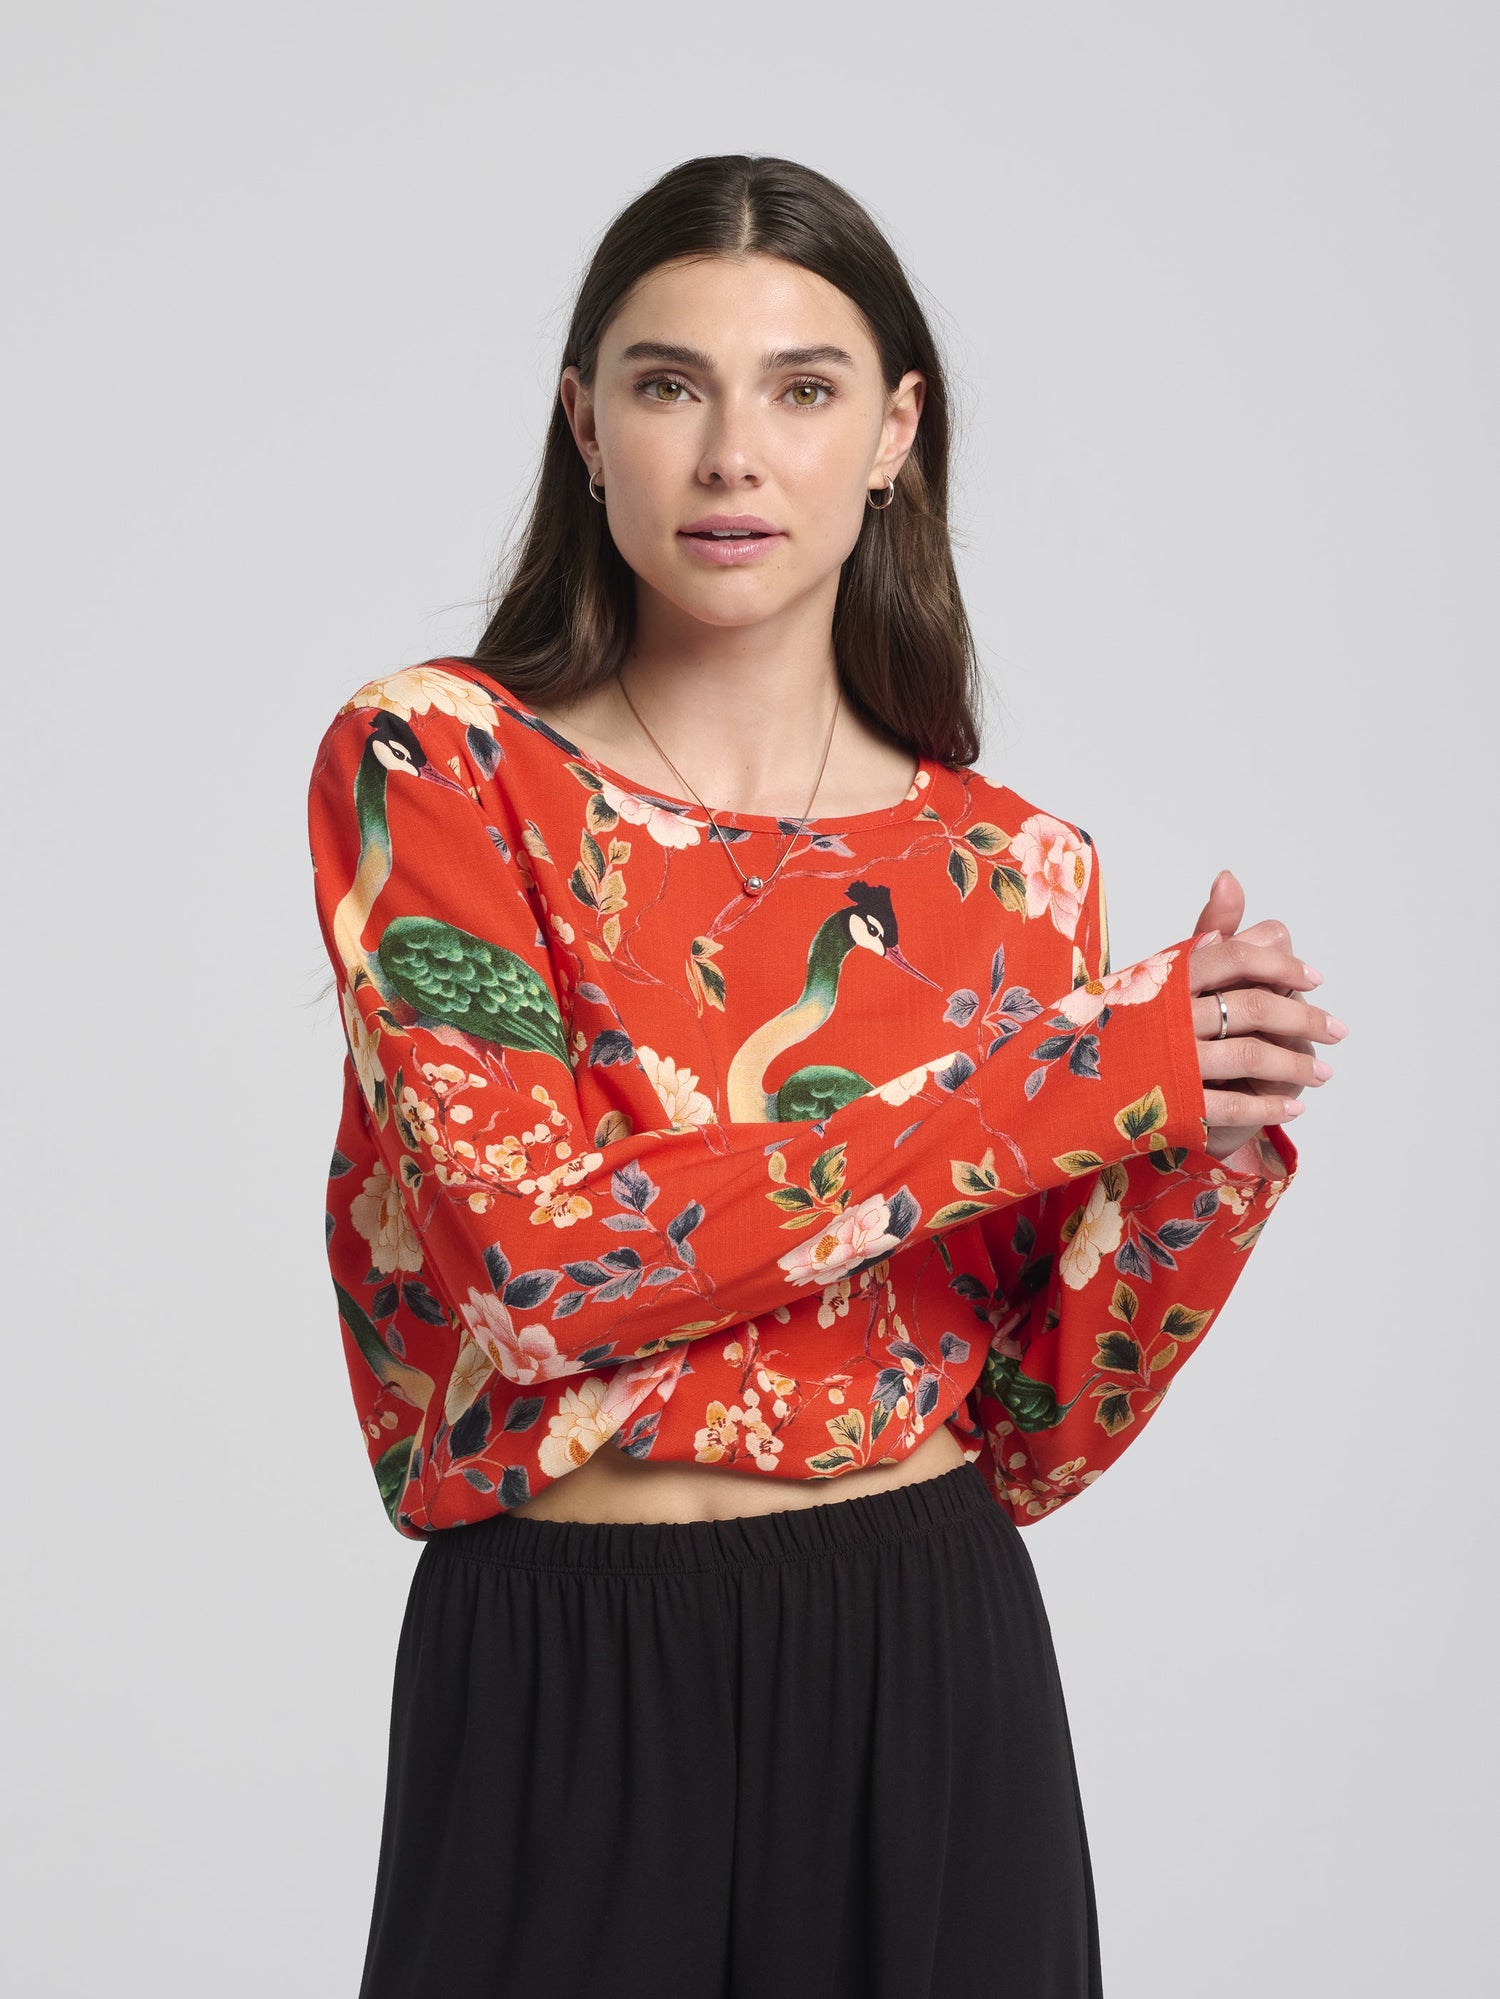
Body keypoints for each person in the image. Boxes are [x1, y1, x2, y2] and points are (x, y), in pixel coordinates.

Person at [306, 154, 1340, 1999]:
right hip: (564, 1664)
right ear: (586, 425)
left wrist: (1201, 1139)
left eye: (802, 389)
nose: (732, 456)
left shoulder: (1014, 872)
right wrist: (1076, 1079)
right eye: (669, 384)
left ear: (893, 435)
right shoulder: (442, 769)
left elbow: (1033, 1427)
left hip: (922, 1652)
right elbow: (543, 1266)